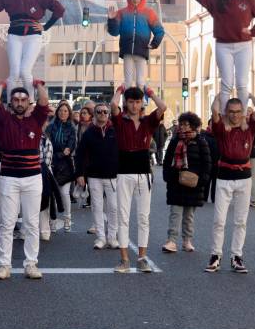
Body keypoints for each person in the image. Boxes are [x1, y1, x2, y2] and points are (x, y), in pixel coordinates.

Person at [0, 81, 49, 280]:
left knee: (32, 224)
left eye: (24, 100)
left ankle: (31, 264)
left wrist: (38, 84)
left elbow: (44, 100)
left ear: (29, 102)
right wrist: (4, 83)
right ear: (11, 103)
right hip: (9, 178)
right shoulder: (4, 119)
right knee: (7, 224)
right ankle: (4, 265)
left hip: (33, 178)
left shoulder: (37, 119)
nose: (20, 102)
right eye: (16, 100)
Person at [110, 86, 166, 273]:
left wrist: (150, 93)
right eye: (131, 102)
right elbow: (113, 105)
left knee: (143, 217)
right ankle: (124, 259)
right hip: (124, 172)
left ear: (142, 103)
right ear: (126, 103)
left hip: (143, 173)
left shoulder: (148, 121)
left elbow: (162, 106)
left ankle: (142, 258)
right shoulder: (119, 121)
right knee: (123, 217)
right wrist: (119, 91)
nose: (134, 105)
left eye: (137, 102)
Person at [205, 94, 255, 274]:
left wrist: (249, 95)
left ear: (243, 112)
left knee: (240, 221)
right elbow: (214, 111)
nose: (235, 115)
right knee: (219, 220)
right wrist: (220, 95)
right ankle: (215, 255)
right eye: (231, 112)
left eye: (238, 112)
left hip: (244, 179)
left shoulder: (249, 128)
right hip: (224, 177)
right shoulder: (222, 129)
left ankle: (236, 256)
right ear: (226, 112)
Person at [161, 112, 211, 254]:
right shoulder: (175, 140)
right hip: (176, 182)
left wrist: (202, 181)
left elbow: (207, 162)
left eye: (185, 124)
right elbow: (167, 160)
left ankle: (187, 241)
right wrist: (167, 176)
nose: (182, 127)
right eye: (181, 124)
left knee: (189, 215)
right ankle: (171, 241)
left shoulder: (201, 141)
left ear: (193, 126)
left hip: (193, 183)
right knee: (175, 213)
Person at [75, 103, 120, 249]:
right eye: (99, 112)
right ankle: (101, 237)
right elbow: (80, 154)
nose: (102, 114)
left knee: (113, 207)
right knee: (97, 207)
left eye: (105, 112)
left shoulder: (115, 130)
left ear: (108, 114)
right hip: (94, 176)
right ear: (95, 114)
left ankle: (112, 237)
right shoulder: (89, 132)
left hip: (112, 175)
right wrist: (80, 174)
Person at [107, 0, 165, 90]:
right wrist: (111, 20)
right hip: (127, 52)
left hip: (142, 51)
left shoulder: (149, 13)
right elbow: (114, 32)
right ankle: (126, 104)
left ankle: (140, 105)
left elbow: (160, 31)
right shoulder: (121, 13)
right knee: (128, 82)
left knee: (140, 81)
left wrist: (154, 44)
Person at [47, 102, 77, 232]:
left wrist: (65, 150)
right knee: (51, 195)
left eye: (65, 111)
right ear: (57, 112)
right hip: (51, 163)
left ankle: (67, 219)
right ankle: (52, 221)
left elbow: (69, 147)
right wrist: (58, 151)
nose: (62, 113)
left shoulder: (71, 128)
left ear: (69, 113)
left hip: (65, 165)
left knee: (65, 193)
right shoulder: (51, 127)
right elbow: (48, 143)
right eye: (60, 111)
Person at [201, 121, 219, 203]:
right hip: (207, 162)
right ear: (208, 125)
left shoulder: (219, 136)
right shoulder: (204, 135)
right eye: (212, 124)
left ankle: (214, 198)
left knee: (216, 182)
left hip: (217, 163)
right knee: (206, 181)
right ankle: (204, 198)